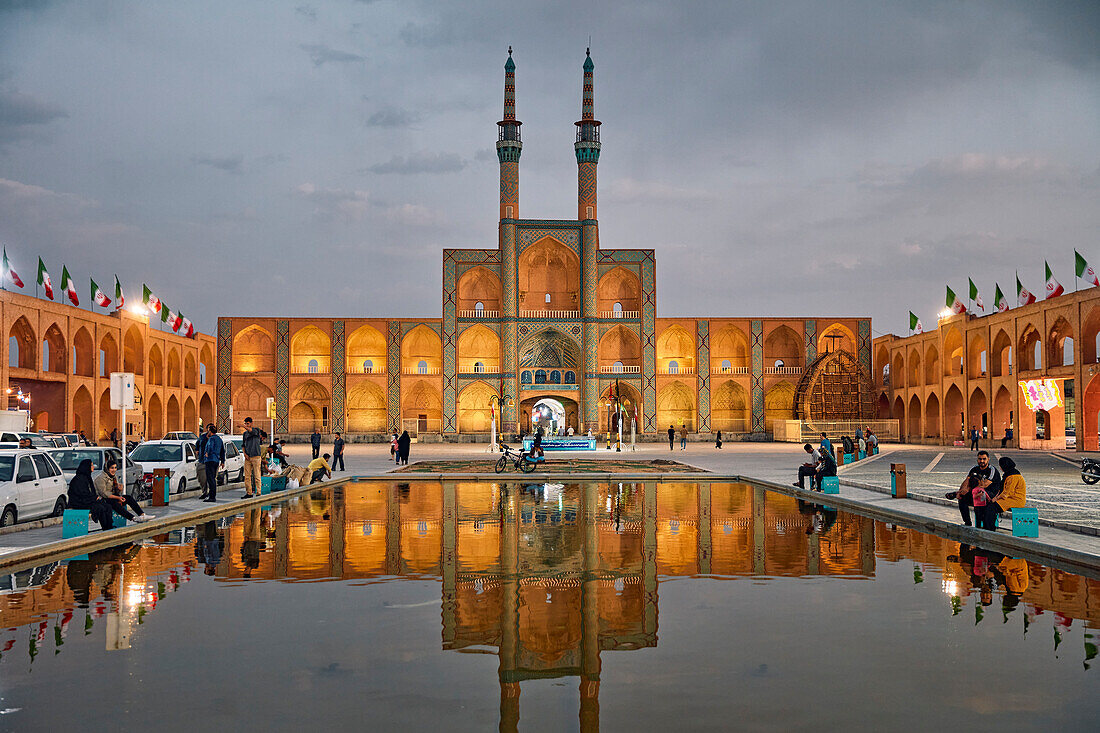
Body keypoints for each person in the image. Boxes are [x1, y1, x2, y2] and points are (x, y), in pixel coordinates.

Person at [945, 450, 1000, 527]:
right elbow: (966, 481)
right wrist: (962, 491)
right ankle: (967, 523)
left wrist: (969, 490)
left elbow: (984, 485)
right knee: (962, 499)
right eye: (980, 459)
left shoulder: (992, 470)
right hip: (976, 493)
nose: (982, 461)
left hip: (989, 495)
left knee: (978, 494)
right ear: (977, 459)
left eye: (984, 459)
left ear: (988, 459)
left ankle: (955, 494)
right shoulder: (974, 469)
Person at [977, 456, 1027, 530]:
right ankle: (987, 526)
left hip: (1015, 500)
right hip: (1009, 498)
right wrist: (995, 498)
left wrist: (996, 499)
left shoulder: (1013, 476)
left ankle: (989, 528)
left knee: (991, 508)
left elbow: (1007, 493)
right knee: (988, 506)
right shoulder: (1009, 474)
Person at [66, 459, 114, 530]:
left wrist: (95, 497)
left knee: (107, 506)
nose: (93, 467)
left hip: (87, 500)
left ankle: (109, 527)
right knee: (100, 508)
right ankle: (106, 528)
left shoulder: (87, 477)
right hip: (79, 502)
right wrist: (94, 498)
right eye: (91, 465)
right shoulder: (79, 479)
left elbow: (90, 492)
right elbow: (82, 494)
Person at [200, 423, 224, 502]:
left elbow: (210, 446)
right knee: (213, 478)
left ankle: (212, 497)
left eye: (208, 431)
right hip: (216, 460)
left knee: (210, 479)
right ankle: (212, 495)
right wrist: (222, 461)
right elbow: (222, 451)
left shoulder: (211, 439)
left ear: (210, 431)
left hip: (210, 460)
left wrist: (207, 453)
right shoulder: (219, 439)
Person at [241, 417, 263, 498]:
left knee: (257, 475)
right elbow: (243, 445)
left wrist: (242, 426)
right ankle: (249, 493)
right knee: (247, 476)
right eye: (245, 423)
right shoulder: (245, 434)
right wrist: (245, 454)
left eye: (248, 423)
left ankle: (259, 492)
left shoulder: (256, 430)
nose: (246, 425)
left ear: (251, 423)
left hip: (256, 456)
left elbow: (252, 431)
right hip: (248, 457)